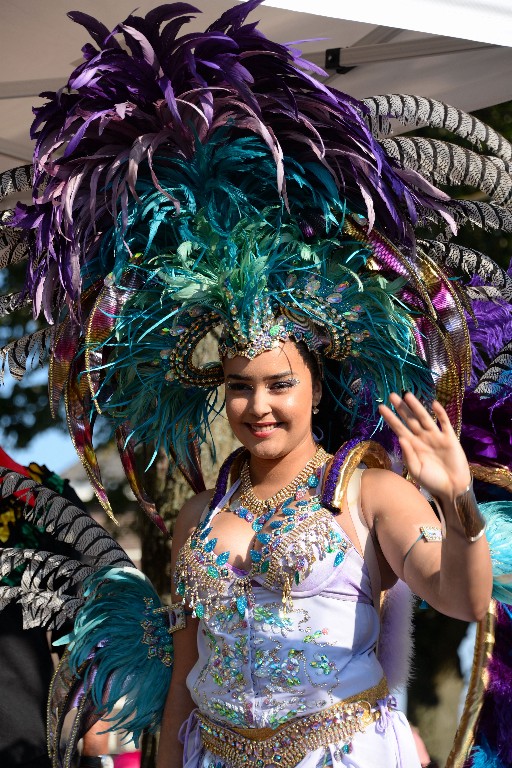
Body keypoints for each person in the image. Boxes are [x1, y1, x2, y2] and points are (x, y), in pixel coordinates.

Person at [0, 2, 511, 767]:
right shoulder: (198, 517)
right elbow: (184, 677)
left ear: (314, 382)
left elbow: (462, 599)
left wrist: (460, 501)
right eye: (240, 387)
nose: (258, 406)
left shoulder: (369, 493)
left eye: (278, 384)